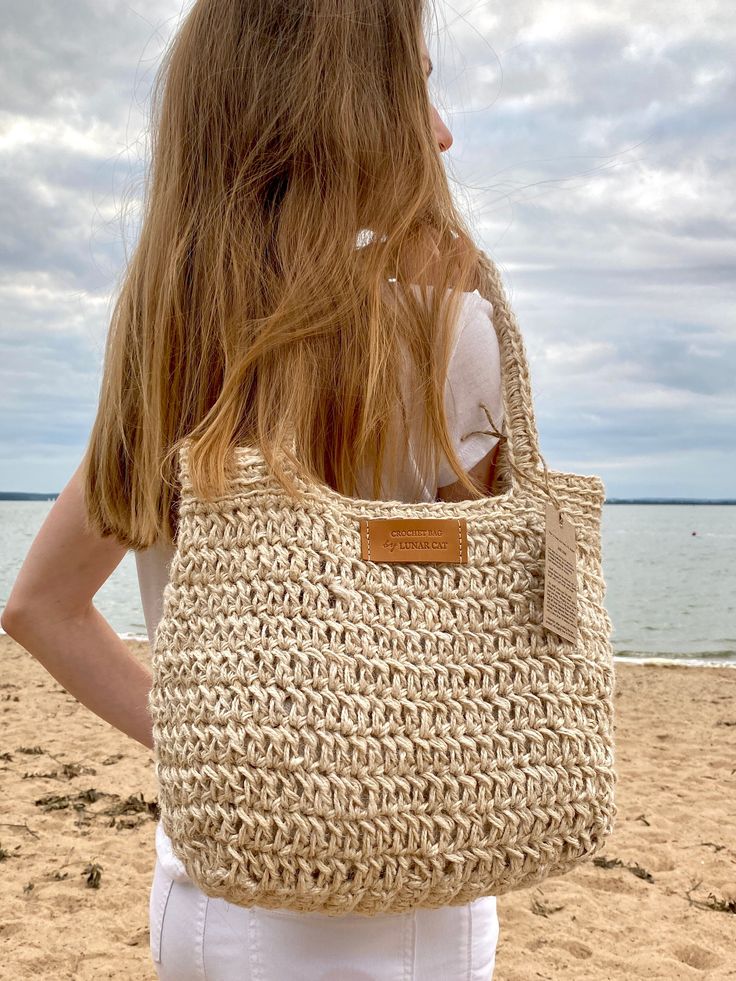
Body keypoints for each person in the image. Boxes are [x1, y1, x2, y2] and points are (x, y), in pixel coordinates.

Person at [2, 2, 507, 978]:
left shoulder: (172, 343)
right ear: (347, 111)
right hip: (396, 898)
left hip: (206, 891)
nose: (441, 132)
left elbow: (40, 607)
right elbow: (481, 636)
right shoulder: (447, 335)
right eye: (419, 88)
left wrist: (223, 750)